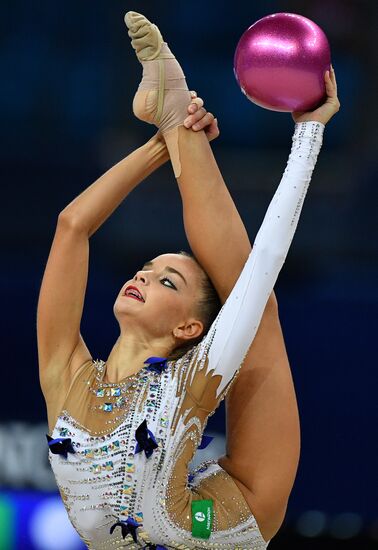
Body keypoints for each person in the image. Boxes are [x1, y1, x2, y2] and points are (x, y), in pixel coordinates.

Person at [38, 11, 340, 550]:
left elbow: (71, 226)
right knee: (256, 301)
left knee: (256, 304)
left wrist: (175, 133)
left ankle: (175, 108)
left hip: (204, 506)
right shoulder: (80, 378)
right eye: (153, 272)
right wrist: (166, 140)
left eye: (163, 280)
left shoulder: (179, 376)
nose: (143, 274)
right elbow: (73, 227)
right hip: (237, 522)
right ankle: (175, 112)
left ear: (190, 327)